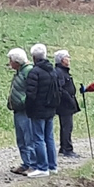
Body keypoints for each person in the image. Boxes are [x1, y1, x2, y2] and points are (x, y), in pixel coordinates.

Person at [25, 43, 60, 178]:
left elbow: (31, 94)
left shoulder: (34, 72)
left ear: (34, 57)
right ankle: (52, 166)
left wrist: (29, 108)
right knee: (49, 138)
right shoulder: (52, 71)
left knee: (38, 138)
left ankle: (42, 167)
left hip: (38, 110)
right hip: (50, 108)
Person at [7, 48, 36, 175]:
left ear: (17, 61)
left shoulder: (28, 71)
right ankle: (25, 163)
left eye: (11, 60)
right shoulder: (20, 72)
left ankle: (33, 164)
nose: (9, 63)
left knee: (29, 138)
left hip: (26, 110)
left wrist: (23, 101)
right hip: (18, 110)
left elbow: (32, 90)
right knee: (21, 139)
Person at [54, 49, 81, 160]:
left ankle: (63, 147)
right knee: (67, 126)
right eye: (67, 57)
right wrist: (69, 98)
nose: (69, 59)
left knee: (66, 126)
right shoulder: (60, 72)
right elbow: (60, 88)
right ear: (62, 60)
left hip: (66, 103)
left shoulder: (62, 71)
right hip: (65, 104)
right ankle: (67, 149)